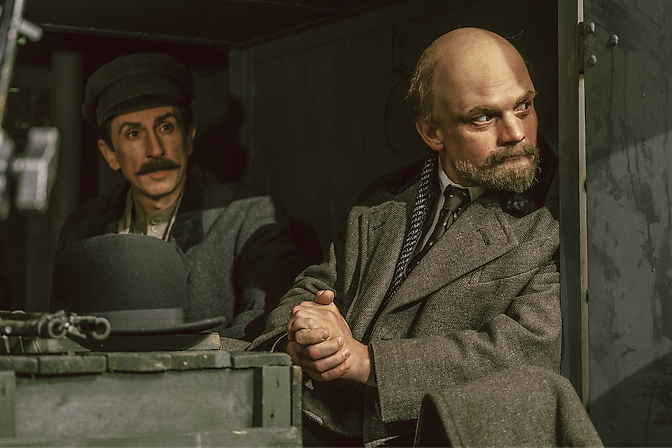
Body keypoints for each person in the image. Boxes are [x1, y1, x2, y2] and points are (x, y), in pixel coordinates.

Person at [249, 27, 561, 447]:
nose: (516, 134)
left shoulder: (558, 214)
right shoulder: (386, 199)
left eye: (524, 106)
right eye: (483, 117)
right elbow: (316, 287)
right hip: (329, 424)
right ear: (432, 133)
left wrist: (364, 362)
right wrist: (302, 340)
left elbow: (527, 350)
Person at [53, 53, 304, 343]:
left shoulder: (250, 215)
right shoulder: (82, 227)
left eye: (166, 127)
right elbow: (59, 331)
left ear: (188, 137)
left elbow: (269, 328)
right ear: (110, 154)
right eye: (133, 133)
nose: (155, 149)